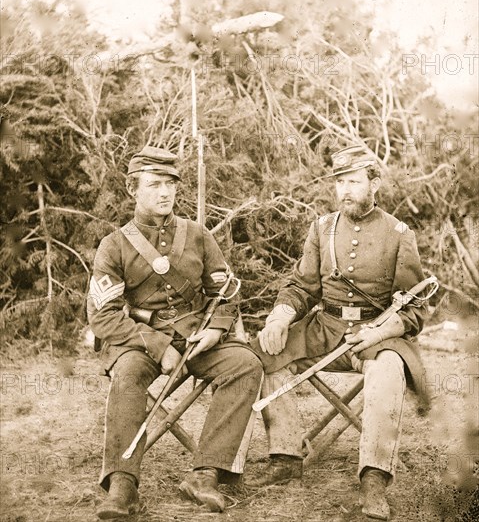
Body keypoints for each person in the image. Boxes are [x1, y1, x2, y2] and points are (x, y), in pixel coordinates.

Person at [250, 145, 430, 521]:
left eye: (353, 182)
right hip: (325, 328)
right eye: (340, 183)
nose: (345, 190)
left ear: (373, 183)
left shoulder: (399, 233)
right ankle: (285, 455)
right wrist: (279, 319)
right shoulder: (321, 228)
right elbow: (301, 287)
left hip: (378, 336)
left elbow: (414, 308)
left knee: (387, 371)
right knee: (263, 354)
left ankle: (374, 478)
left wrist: (379, 334)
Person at [87, 146, 263, 519]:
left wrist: (216, 329)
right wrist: (158, 345)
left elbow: (226, 291)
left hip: (199, 336)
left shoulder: (198, 235)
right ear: (132, 189)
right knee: (127, 374)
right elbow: (103, 317)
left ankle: (205, 473)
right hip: (142, 341)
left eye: (170, 184)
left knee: (246, 363)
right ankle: (123, 485)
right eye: (154, 185)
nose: (165, 193)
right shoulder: (114, 245)